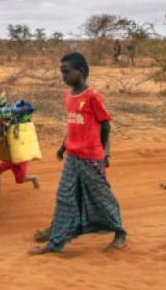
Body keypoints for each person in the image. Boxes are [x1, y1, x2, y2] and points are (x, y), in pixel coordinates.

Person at [30, 52, 127, 255]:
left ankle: (119, 232)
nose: (63, 76)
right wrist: (63, 145)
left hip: (91, 158)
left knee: (101, 197)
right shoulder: (69, 96)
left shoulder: (92, 96)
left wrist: (100, 152)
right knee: (64, 196)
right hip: (73, 156)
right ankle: (56, 240)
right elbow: (72, 123)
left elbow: (105, 126)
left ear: (80, 71)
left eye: (66, 72)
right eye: (61, 72)